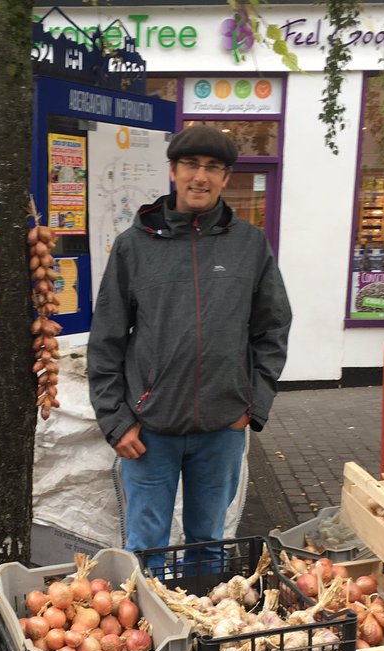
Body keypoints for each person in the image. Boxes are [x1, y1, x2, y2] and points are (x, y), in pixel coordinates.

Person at [87, 124, 292, 554]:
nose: (201, 177)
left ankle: (202, 622)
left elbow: (272, 327)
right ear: (173, 171)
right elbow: (106, 338)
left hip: (222, 428)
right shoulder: (134, 246)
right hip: (149, 430)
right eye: (191, 165)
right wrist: (116, 420)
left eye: (212, 168)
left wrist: (252, 404)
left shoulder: (249, 245)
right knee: (147, 546)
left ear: (226, 177)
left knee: (209, 542)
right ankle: (154, 622)